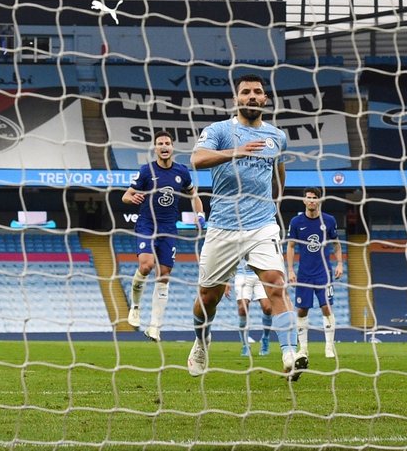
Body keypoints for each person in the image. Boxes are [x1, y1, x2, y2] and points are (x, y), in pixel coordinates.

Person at [188, 74, 306, 380]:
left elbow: (279, 176)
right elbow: (197, 159)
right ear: (236, 99)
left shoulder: (276, 137)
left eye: (257, 92)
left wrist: (271, 205)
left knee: (275, 284)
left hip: (261, 224)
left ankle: (290, 353)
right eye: (246, 92)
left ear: (265, 99)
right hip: (223, 226)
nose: (252, 96)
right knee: (207, 300)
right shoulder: (219, 131)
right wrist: (234, 152)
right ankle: (201, 341)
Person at [121, 130, 204, 342]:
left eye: (167, 143)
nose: (164, 146)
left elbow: (193, 194)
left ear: (172, 146)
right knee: (146, 265)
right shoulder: (146, 171)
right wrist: (134, 197)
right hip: (147, 224)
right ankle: (136, 308)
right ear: (155, 147)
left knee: (164, 274)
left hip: (169, 228)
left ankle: (155, 326)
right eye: (160, 143)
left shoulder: (182, 171)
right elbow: (126, 196)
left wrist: (200, 215)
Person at [286, 187, 344, 360]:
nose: (311, 201)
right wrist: (290, 270)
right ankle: (303, 349)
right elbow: (290, 246)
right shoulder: (296, 222)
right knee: (302, 310)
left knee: (326, 307)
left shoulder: (329, 220)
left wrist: (340, 263)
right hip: (304, 274)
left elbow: (336, 244)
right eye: (308, 198)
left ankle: (329, 348)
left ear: (319, 200)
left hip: (324, 273)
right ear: (304, 200)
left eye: (314, 198)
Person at [229, 259, 275, 357]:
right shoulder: (239, 243)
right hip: (242, 275)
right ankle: (245, 344)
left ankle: (265, 339)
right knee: (242, 308)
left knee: (268, 308)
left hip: (261, 274)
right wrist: (227, 280)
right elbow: (231, 257)